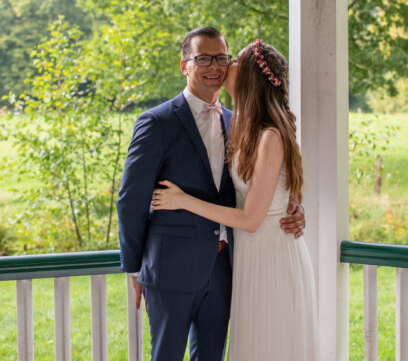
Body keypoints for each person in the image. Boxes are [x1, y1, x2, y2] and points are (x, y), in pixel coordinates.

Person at [116, 27, 306, 361]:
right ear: (184, 65)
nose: (214, 66)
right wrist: (135, 268)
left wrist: (292, 207)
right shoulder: (156, 122)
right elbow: (130, 201)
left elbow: (257, 189)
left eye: (221, 58)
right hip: (170, 270)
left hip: (226, 268)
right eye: (203, 58)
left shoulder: (240, 123)